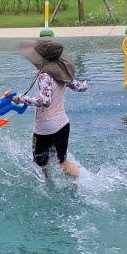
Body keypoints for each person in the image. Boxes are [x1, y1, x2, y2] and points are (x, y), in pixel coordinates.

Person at [13, 38, 89, 178]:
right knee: (62, 162)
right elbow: (81, 87)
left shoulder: (44, 76)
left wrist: (21, 98)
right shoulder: (62, 73)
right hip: (63, 125)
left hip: (45, 129)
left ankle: (47, 186)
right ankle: (87, 180)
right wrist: (85, 83)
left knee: (41, 164)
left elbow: (44, 101)